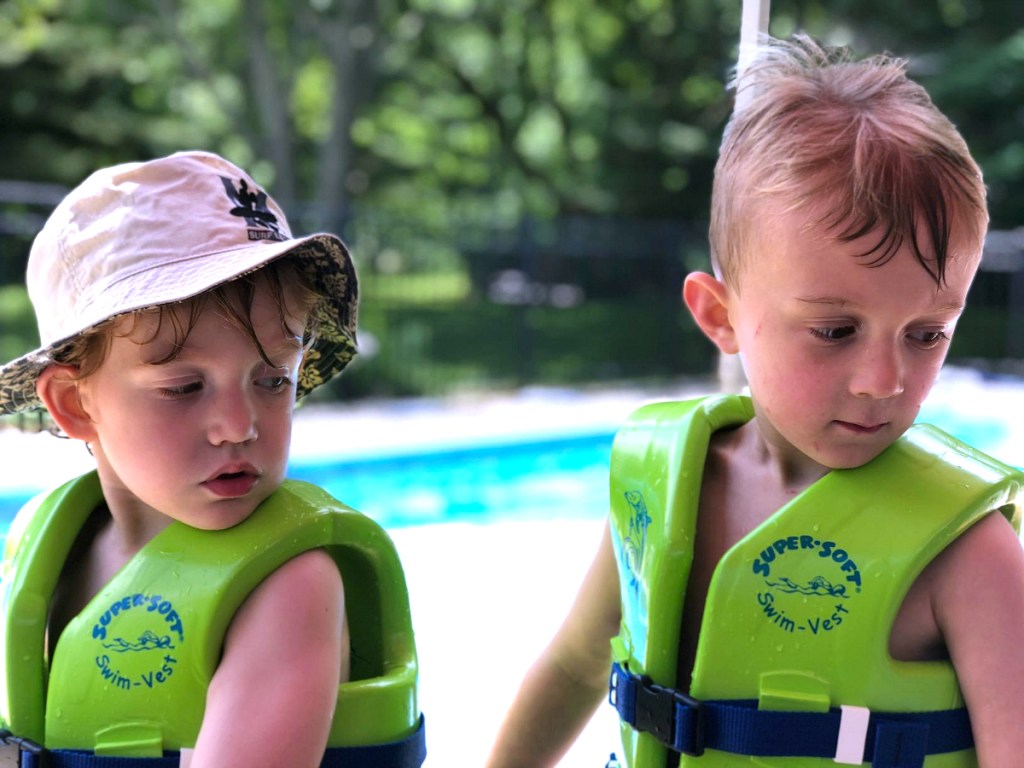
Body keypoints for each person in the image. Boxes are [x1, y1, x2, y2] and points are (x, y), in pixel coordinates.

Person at [487, 36, 1024, 768]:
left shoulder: (968, 551)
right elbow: (578, 664)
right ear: (719, 315)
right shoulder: (662, 485)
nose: (884, 379)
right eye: (835, 330)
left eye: (927, 333)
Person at [0, 151, 425, 768]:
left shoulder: (287, 587)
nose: (238, 426)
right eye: (184, 387)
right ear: (73, 404)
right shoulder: (44, 543)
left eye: (273, 380)